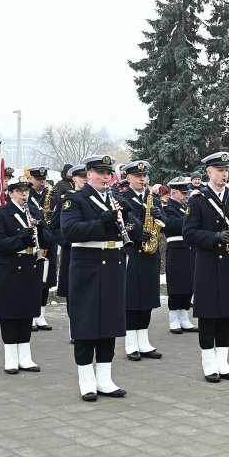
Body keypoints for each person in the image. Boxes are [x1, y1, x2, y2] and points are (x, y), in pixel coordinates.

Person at [61, 155, 140, 401]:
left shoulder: (115, 198)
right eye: (100, 173)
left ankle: (105, 379)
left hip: (113, 265)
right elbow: (70, 231)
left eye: (108, 173)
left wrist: (127, 216)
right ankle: (86, 381)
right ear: (88, 173)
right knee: (86, 324)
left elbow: (137, 232)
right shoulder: (74, 200)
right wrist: (102, 220)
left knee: (109, 323)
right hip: (87, 266)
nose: (106, 177)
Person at [182, 152, 229, 382]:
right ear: (209, 172)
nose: (225, 174)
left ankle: (223, 362)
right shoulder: (197, 198)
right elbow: (188, 233)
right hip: (208, 264)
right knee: (209, 316)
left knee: (227, 314)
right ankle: (209, 364)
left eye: (227, 170)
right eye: (220, 170)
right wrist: (215, 237)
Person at [0, 176, 52, 374]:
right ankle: (10, 358)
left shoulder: (33, 211)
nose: (25, 193)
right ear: (11, 193)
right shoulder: (1, 213)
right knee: (9, 314)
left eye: (27, 190)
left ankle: (25, 357)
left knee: (26, 313)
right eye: (20, 190)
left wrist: (40, 230)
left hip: (31, 266)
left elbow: (50, 240)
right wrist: (21, 238)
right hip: (9, 268)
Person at [119, 160, 165, 361]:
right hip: (132, 252)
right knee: (131, 299)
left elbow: (166, 223)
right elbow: (122, 221)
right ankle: (131, 343)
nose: (142, 179)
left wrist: (159, 214)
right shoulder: (122, 197)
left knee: (147, 298)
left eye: (144, 176)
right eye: (138, 176)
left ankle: (144, 341)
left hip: (150, 252)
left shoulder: (151, 197)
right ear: (128, 178)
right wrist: (139, 232)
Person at [51, 164, 86, 340]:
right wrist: (66, 242)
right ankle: (75, 328)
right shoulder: (66, 198)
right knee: (74, 291)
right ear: (74, 179)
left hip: (90, 253)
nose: (86, 179)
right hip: (71, 252)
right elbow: (55, 226)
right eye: (82, 177)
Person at [164, 176, 198, 333]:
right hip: (176, 249)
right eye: (184, 193)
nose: (187, 196)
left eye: (187, 193)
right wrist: (189, 218)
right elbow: (170, 225)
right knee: (176, 284)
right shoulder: (167, 208)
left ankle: (184, 317)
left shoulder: (185, 208)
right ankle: (173, 319)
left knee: (188, 284)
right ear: (174, 193)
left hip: (189, 249)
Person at [27, 166, 56, 332]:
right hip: (32, 240)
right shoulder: (25, 193)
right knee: (32, 280)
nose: (41, 181)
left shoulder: (50, 193)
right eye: (38, 179)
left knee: (46, 280)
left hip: (48, 239)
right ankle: (30, 315)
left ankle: (41, 315)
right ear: (31, 179)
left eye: (43, 179)